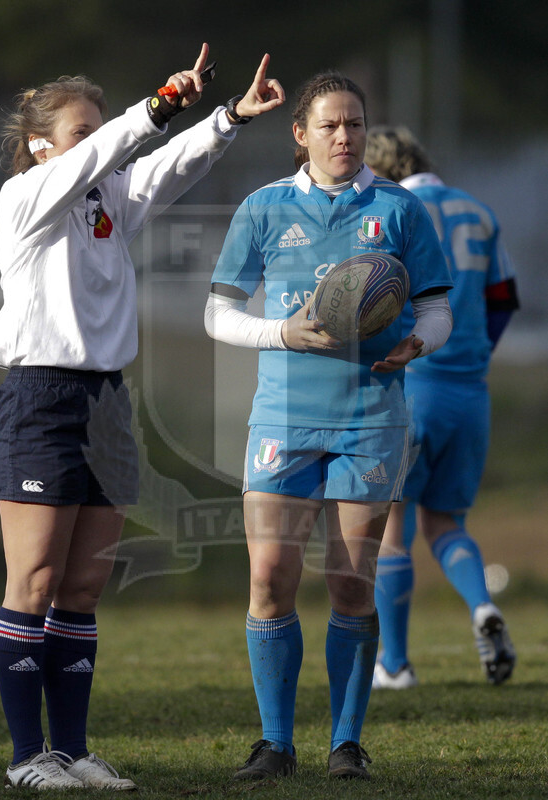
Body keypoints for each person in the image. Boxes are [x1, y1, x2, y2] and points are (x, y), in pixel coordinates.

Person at [0, 45, 284, 791]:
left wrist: (227, 118)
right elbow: (118, 150)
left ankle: (73, 751)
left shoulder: (104, 199)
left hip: (107, 403)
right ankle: (27, 758)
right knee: (35, 579)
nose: (96, 144)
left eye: (98, 128)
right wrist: (158, 104)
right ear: (40, 146)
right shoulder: (23, 198)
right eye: (79, 132)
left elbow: (162, 168)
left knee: (83, 589)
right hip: (40, 399)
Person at [205, 72, 453, 781]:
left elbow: (437, 308)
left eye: (354, 124)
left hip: (369, 418)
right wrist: (281, 332)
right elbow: (217, 313)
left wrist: (419, 343)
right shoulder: (263, 207)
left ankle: (346, 744)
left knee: (349, 582)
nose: (345, 136)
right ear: (300, 134)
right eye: (330, 125)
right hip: (282, 419)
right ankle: (274, 745)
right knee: (268, 577)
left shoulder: (399, 208)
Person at [365, 125, 519, 690]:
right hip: (470, 393)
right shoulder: (479, 211)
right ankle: (482, 605)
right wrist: (473, 354)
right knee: (447, 523)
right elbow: (504, 300)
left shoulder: (390, 211)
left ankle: (395, 664)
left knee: (392, 526)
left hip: (414, 385)